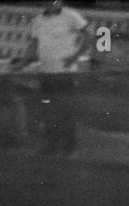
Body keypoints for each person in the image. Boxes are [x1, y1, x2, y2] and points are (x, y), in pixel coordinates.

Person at [26, 0, 91, 156]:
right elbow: (34, 43)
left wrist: (75, 57)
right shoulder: (38, 20)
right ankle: (50, 146)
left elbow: (88, 35)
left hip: (65, 72)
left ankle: (69, 147)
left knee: (66, 109)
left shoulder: (71, 16)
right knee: (48, 109)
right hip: (46, 71)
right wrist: (25, 61)